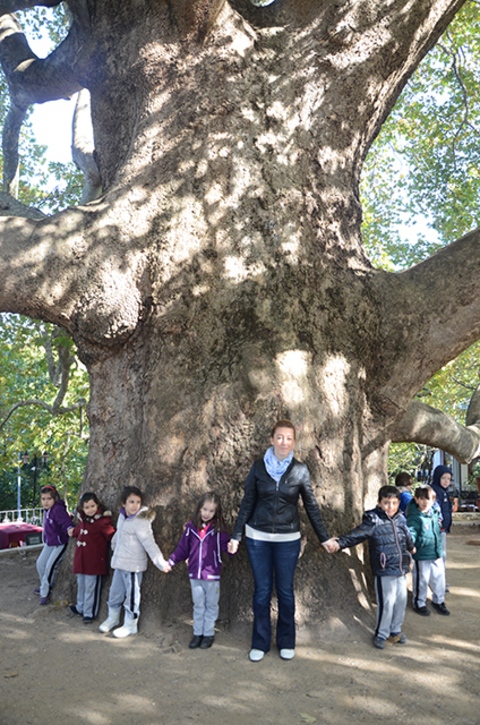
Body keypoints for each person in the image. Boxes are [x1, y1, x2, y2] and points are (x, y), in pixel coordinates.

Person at [228, 419, 336, 662]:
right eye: (279, 437)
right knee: (262, 591)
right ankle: (260, 642)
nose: (284, 442)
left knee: (285, 592)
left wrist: (324, 538)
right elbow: (247, 504)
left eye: (288, 438)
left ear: (293, 442)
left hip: (288, 539)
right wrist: (237, 536)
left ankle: (286, 641)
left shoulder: (300, 470)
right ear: (271, 439)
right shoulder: (258, 468)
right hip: (258, 537)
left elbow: (311, 506)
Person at [332, 485, 415, 649]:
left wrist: (411, 547)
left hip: (401, 568)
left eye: (393, 503)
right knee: (387, 602)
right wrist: (340, 542)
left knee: (400, 601)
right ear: (379, 503)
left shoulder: (400, 518)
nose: (390, 507)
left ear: (399, 503)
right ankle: (381, 633)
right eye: (386, 503)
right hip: (385, 569)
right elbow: (358, 534)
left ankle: (395, 631)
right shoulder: (373, 519)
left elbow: (406, 535)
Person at [99, 486, 170, 638]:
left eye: (138, 502)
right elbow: (119, 533)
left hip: (133, 566)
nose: (134, 505)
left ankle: (130, 624)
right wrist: (113, 545)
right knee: (115, 592)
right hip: (119, 563)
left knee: (132, 596)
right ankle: (113, 618)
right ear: (123, 503)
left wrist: (160, 563)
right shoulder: (122, 517)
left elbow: (150, 543)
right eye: (131, 502)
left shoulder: (141, 521)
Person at [168, 492, 231, 650]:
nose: (207, 514)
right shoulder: (190, 528)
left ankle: (208, 633)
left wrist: (231, 547)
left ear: (216, 512)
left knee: (211, 605)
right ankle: (198, 633)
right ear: (199, 509)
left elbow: (226, 547)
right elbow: (183, 549)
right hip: (195, 575)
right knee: (198, 605)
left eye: (211, 511)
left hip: (212, 575)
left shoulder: (219, 529)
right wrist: (171, 561)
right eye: (204, 509)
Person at [68, 492, 116, 623]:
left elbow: (111, 535)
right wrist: (74, 532)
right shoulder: (83, 520)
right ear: (83, 509)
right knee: (81, 585)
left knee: (91, 587)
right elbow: (81, 529)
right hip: (81, 560)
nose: (90, 510)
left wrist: (117, 543)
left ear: (97, 505)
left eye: (92, 506)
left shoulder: (102, 521)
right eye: (87, 507)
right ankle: (81, 607)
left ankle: (90, 612)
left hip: (94, 562)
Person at [407, 485, 450, 616]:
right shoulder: (415, 516)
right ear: (416, 500)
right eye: (422, 499)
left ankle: (439, 600)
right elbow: (412, 532)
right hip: (422, 553)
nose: (426, 502)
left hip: (436, 552)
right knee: (422, 579)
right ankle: (419, 602)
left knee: (439, 577)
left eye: (429, 499)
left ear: (433, 500)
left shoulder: (434, 513)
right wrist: (411, 544)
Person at [35, 485, 74, 605]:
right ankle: (44, 586)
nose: (46, 502)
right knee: (40, 564)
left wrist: (69, 529)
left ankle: (45, 593)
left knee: (49, 567)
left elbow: (66, 522)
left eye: (49, 499)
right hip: (50, 543)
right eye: (43, 499)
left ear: (54, 499)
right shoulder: (47, 510)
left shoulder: (57, 509)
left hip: (59, 543)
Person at [431, 464, 458, 591]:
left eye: (448, 478)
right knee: (438, 557)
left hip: (443, 530)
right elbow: (435, 509)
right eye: (443, 478)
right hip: (437, 530)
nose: (446, 481)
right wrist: (440, 522)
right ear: (437, 478)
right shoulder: (434, 491)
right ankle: (438, 584)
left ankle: (441, 581)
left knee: (442, 556)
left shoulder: (444, 492)